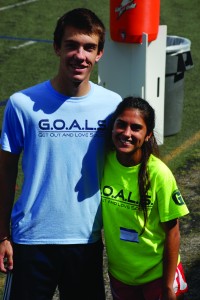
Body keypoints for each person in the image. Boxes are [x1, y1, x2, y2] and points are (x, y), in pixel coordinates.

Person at [0, 8, 122, 300]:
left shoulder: (112, 105)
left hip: (86, 240)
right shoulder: (22, 104)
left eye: (89, 47)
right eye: (72, 45)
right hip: (30, 241)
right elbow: (4, 172)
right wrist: (2, 235)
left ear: (99, 54)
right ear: (57, 48)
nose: (80, 55)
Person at [101, 97, 189, 300]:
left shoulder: (159, 174)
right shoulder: (103, 163)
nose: (126, 133)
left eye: (136, 128)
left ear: (148, 134)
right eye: (121, 125)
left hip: (158, 278)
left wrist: (168, 287)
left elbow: (173, 234)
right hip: (121, 277)